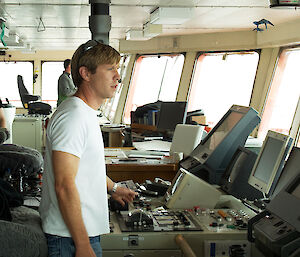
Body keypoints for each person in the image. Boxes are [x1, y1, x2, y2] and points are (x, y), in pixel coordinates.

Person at [39, 40, 137, 257]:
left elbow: (84, 170)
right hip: (70, 239)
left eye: (117, 69)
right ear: (86, 74)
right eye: (110, 69)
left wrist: (113, 188)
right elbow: (64, 184)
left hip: (76, 235)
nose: (117, 77)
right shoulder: (73, 117)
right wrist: (83, 245)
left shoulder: (84, 112)